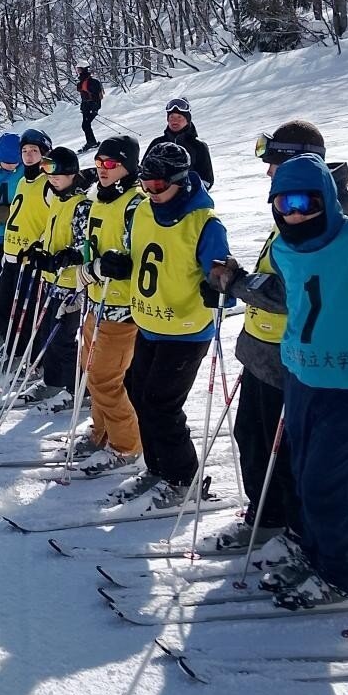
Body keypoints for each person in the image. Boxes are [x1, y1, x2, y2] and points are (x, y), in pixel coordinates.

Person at [214, 154, 348, 607]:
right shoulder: (282, 248)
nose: (293, 212)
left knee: (325, 491)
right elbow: (281, 295)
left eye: (305, 201)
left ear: (328, 201)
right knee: (300, 479)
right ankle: (318, 558)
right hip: (298, 375)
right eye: (283, 203)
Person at [213, 121, 348, 555]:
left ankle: (296, 533)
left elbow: (296, 293)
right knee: (252, 437)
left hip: (294, 354)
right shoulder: (294, 209)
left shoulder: (326, 217)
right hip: (264, 350)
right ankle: (268, 516)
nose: (268, 172)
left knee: (286, 452)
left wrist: (238, 283)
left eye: (274, 162)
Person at [95, 140, 229, 508]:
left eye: (159, 185)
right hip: (149, 322)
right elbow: (135, 254)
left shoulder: (205, 223)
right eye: (146, 185)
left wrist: (218, 288)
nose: (152, 193)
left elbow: (224, 277)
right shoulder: (142, 213)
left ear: (182, 181)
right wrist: (117, 264)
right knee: (137, 391)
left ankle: (185, 477)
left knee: (161, 404)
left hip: (186, 330)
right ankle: (157, 467)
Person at [75, 135, 144, 471]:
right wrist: (92, 268)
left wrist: (119, 265)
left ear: (127, 167)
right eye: (99, 162)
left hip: (122, 309)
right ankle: (101, 432)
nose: (102, 169)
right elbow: (90, 249)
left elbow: (142, 257)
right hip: (96, 300)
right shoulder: (98, 200)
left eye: (111, 163)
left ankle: (127, 444)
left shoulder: (135, 203)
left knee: (105, 378)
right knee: (89, 371)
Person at [21, 145, 90, 408]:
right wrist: (40, 250)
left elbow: (86, 244)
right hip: (52, 279)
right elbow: (50, 233)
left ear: (72, 172)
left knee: (63, 340)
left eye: (57, 171)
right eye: (47, 171)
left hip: (72, 285)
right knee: (46, 334)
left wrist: (69, 255)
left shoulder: (81, 205)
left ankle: (82, 389)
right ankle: (52, 381)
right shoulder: (56, 199)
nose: (52, 177)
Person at [0, 127, 55, 346]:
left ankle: (22, 351)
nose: (28, 155)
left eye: (34, 150)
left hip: (31, 259)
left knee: (25, 314)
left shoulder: (48, 183)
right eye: (24, 150)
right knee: (5, 304)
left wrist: (42, 246)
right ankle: (7, 344)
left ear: (44, 153)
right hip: (12, 254)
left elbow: (56, 221)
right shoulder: (22, 181)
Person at [146, 97, 216, 189]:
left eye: (179, 117)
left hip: (189, 199)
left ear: (187, 120)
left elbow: (207, 180)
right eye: (171, 117)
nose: (175, 121)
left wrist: (188, 191)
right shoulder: (157, 143)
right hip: (158, 197)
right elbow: (144, 171)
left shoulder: (198, 146)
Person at [75, 66, 104, 150]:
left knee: (86, 125)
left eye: (79, 70)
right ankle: (91, 142)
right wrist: (82, 106)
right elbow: (84, 96)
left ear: (83, 70)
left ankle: (92, 143)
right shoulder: (82, 82)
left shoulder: (93, 82)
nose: (78, 71)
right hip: (86, 106)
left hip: (92, 106)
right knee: (85, 125)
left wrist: (95, 107)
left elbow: (97, 96)